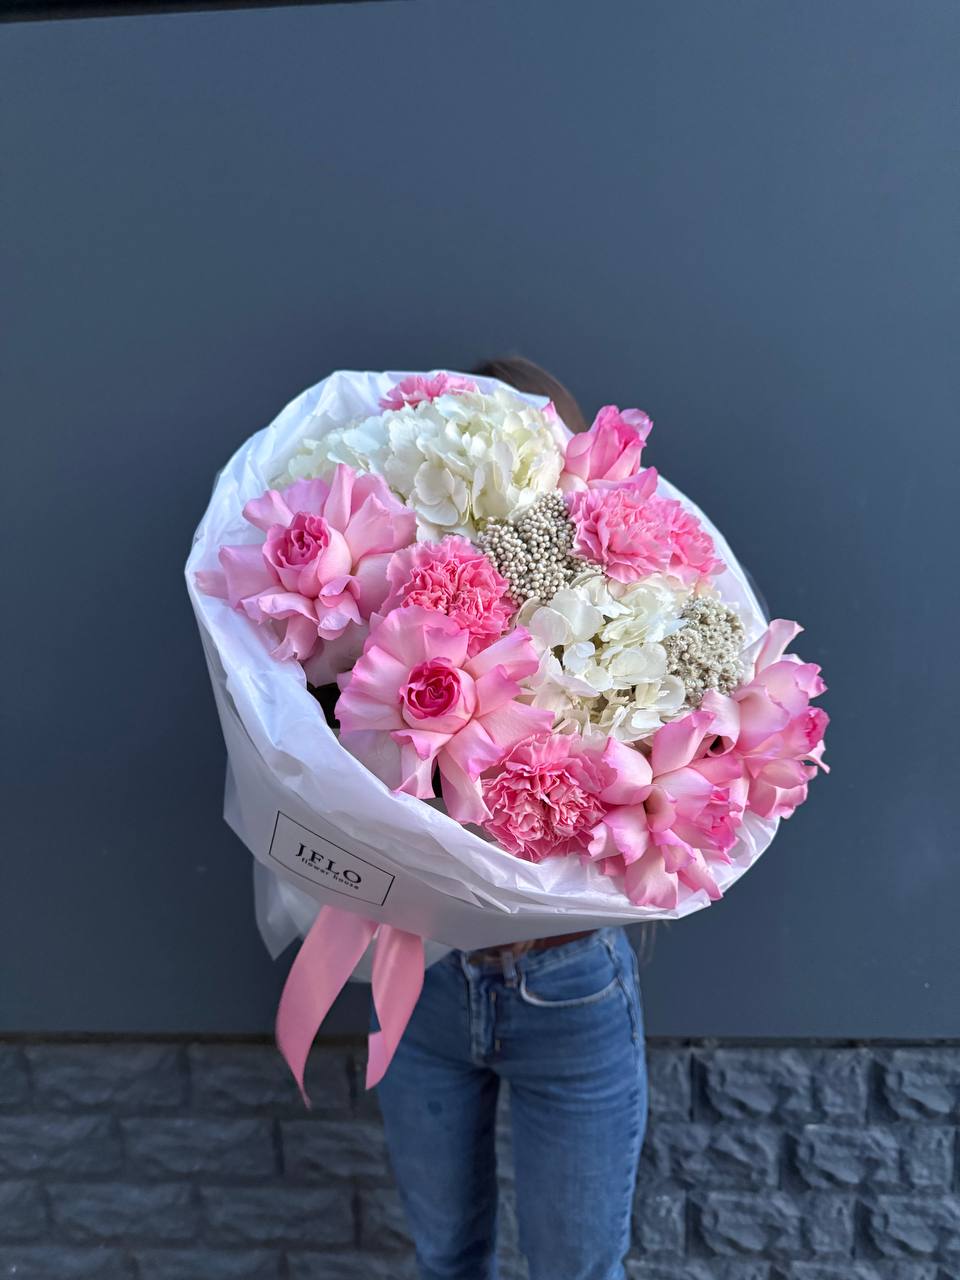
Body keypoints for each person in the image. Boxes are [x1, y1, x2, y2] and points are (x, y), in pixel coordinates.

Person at [373, 356, 649, 1280]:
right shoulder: (396, 612)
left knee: (578, 1271)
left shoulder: (616, 616)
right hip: (424, 976)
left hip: (568, 986)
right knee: (446, 1259)